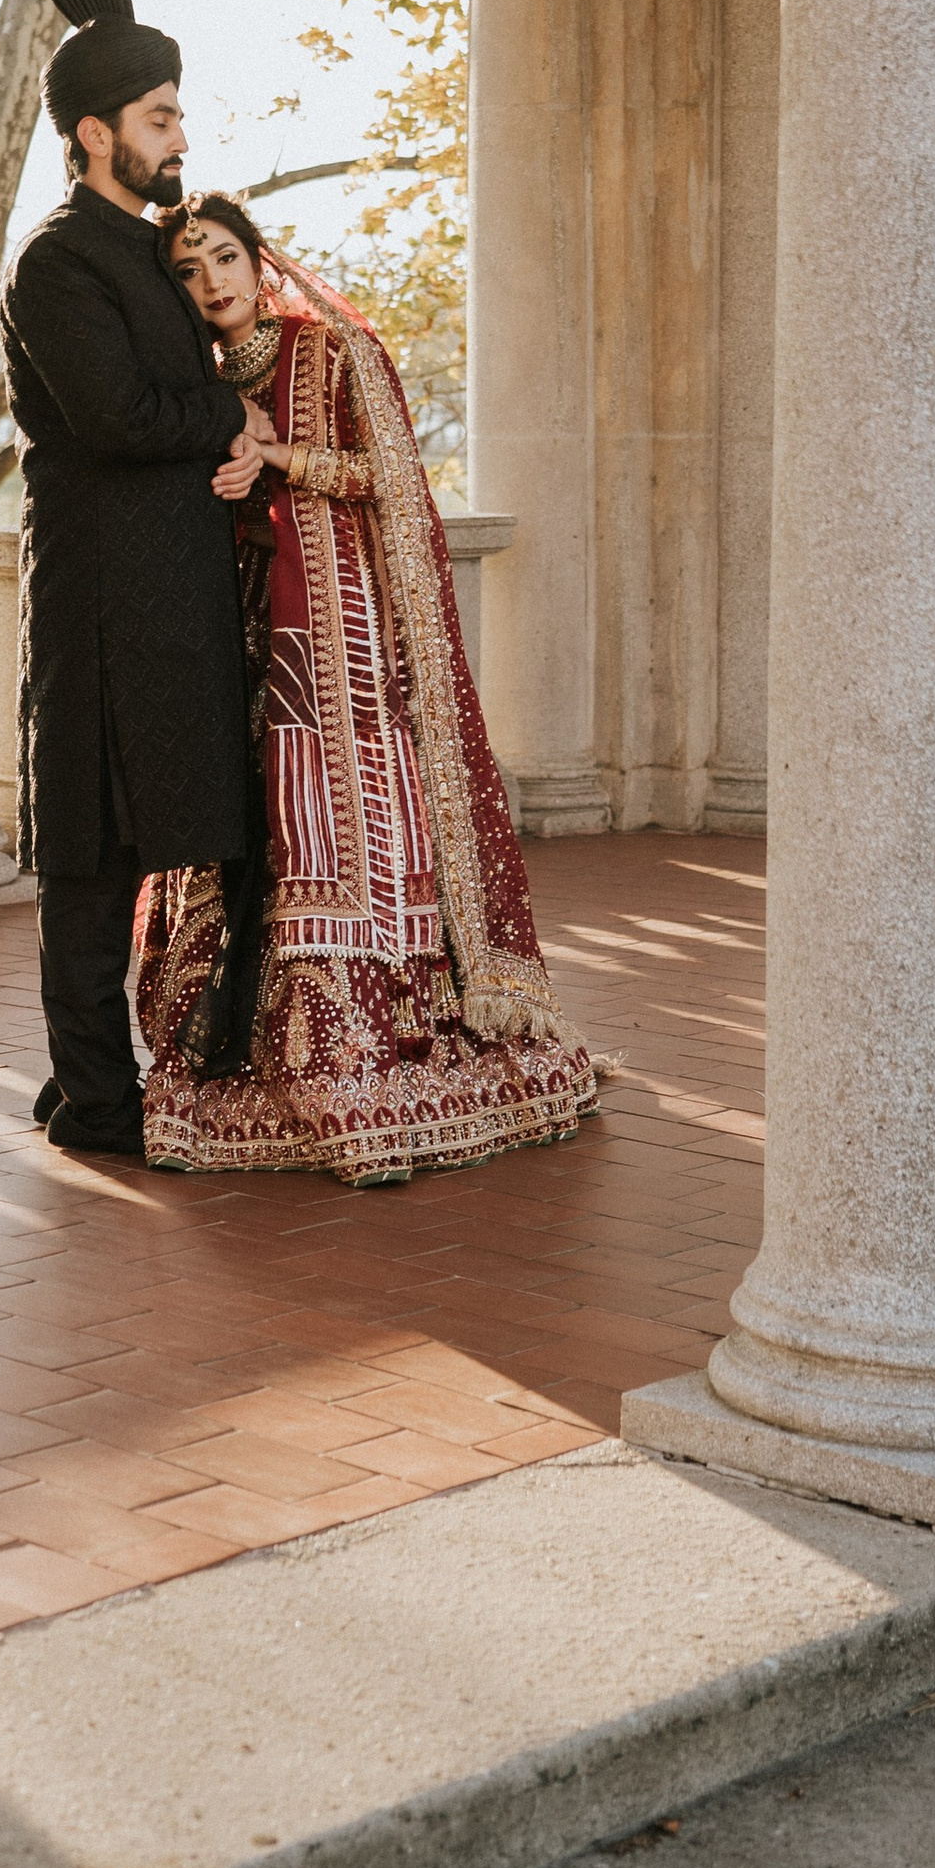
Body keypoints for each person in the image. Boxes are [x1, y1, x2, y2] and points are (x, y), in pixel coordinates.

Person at [139, 191, 607, 1184]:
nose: (211, 281)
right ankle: (260, 1049)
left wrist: (282, 459)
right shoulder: (196, 377)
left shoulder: (331, 350)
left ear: (259, 262)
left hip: (344, 636)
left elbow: (391, 477)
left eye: (223, 257)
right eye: (188, 269)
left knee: (343, 835)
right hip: (246, 638)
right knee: (263, 837)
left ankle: (371, 1060)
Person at [0, 0, 271, 1157]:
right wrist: (227, 414)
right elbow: (118, 420)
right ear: (95, 133)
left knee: (220, 830)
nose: (181, 138)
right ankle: (96, 1103)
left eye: (177, 116)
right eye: (160, 119)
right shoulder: (57, 264)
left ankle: (218, 1069)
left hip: (184, 588)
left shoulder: (156, 251)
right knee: (93, 862)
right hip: (103, 594)